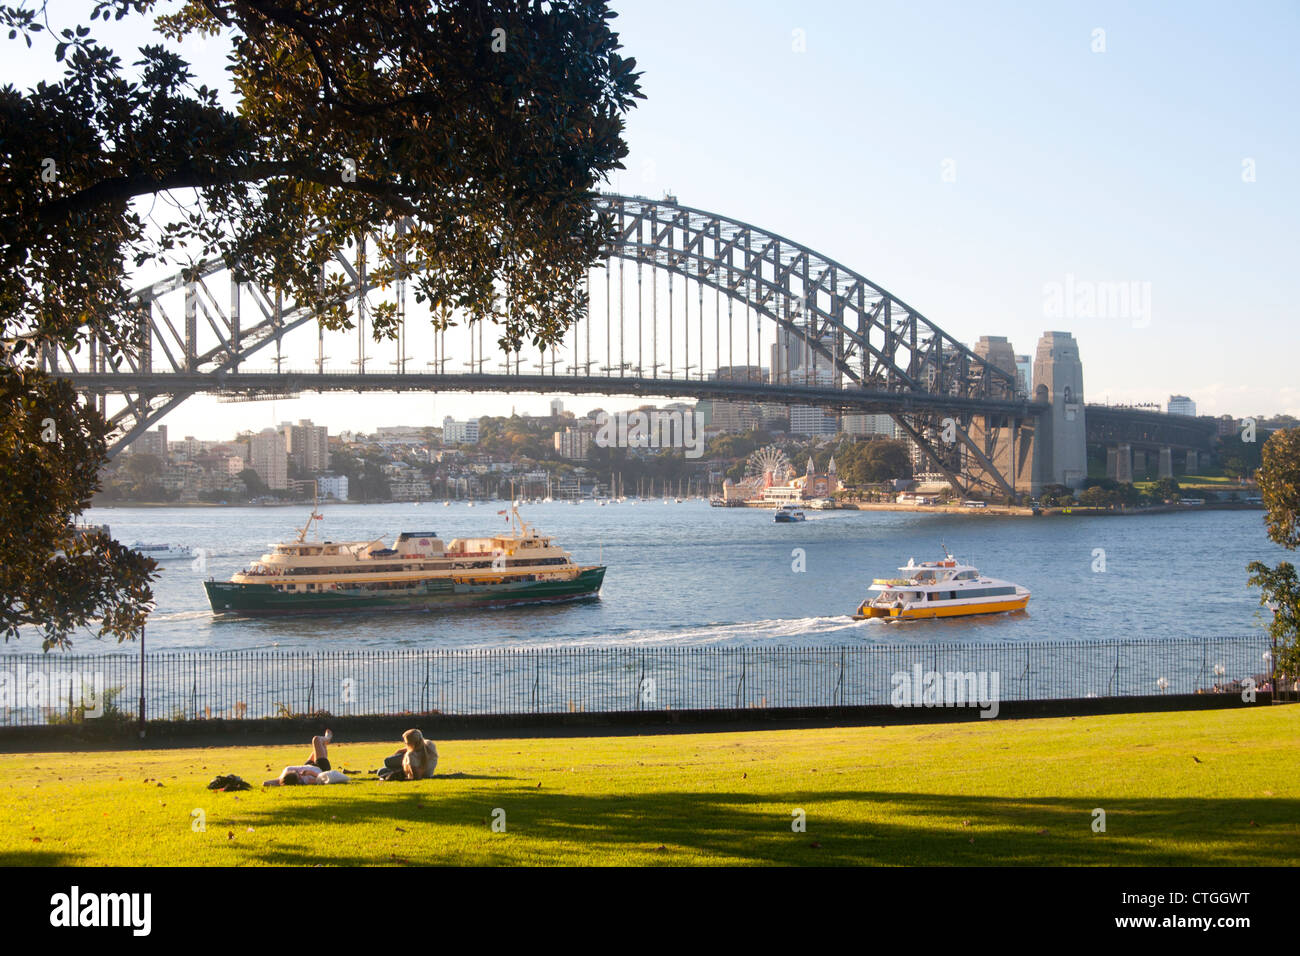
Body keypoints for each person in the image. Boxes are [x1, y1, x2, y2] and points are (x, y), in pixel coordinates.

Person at [265, 730, 345, 786]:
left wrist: (278, 782)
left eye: (297, 773)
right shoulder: (306, 781)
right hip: (321, 767)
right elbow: (322, 779)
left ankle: (324, 743)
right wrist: (310, 773)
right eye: (299, 778)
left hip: (308, 765)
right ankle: (327, 738)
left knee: (320, 746)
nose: (300, 775)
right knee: (316, 739)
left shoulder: (285, 774)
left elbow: (266, 783)